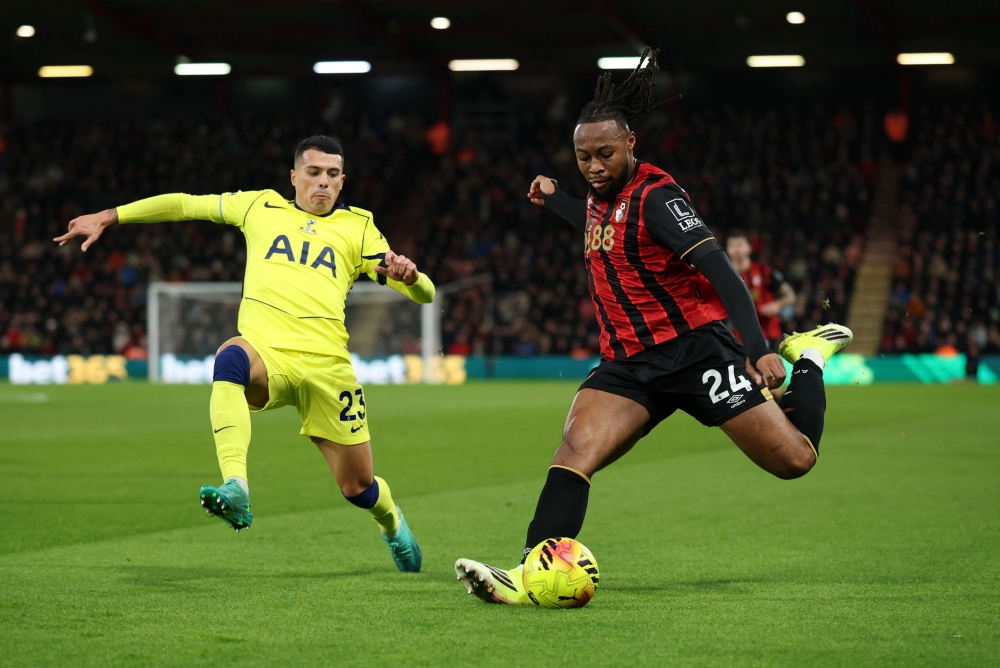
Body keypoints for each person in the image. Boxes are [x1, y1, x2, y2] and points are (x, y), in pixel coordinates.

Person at [454, 50, 852, 603]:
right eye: (583, 156)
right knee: (574, 451)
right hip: (628, 366)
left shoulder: (658, 199)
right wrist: (554, 200)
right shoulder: (597, 199)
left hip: (697, 354)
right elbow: (593, 224)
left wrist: (759, 349)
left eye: (605, 154)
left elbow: (724, 273)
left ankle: (810, 355)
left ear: (631, 145)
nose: (593, 166)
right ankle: (527, 575)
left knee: (795, 460)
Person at [54, 136, 430, 572]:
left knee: (358, 487)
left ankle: (392, 523)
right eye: (313, 172)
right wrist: (108, 216)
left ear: (342, 182)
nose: (322, 182)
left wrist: (412, 276)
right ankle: (237, 485)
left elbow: (424, 294)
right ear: (294, 177)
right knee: (229, 358)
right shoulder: (259, 207)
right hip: (269, 354)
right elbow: (183, 204)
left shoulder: (360, 227)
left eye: (332, 175)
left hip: (329, 369)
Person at [725, 229, 797, 352]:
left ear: (749, 248)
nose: (736, 249)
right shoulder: (724, 276)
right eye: (732, 245)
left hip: (767, 333)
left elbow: (790, 296)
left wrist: (777, 304)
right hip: (738, 338)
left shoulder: (764, 271)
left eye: (740, 245)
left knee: (768, 371)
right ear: (727, 250)